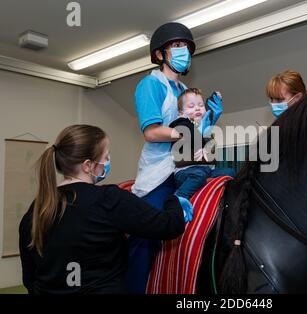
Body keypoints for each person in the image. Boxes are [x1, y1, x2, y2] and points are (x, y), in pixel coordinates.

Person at [18, 125, 190, 294]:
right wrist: (173, 200)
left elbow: (30, 278)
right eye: (106, 157)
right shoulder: (108, 199)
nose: (107, 162)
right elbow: (169, 225)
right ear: (88, 165)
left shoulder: (38, 207)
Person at [129, 22, 223, 293]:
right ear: (160, 55)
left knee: (228, 179)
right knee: (144, 237)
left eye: (187, 48)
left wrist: (209, 119)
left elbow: (197, 129)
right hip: (159, 171)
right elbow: (151, 132)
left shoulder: (184, 92)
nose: (184, 52)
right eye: (177, 46)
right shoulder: (150, 85)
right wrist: (187, 132)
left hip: (186, 164)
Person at [169, 88, 235, 201]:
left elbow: (212, 154)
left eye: (201, 105)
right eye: (191, 106)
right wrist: (202, 131)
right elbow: (192, 135)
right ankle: (179, 197)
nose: (197, 108)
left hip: (206, 170)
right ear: (181, 113)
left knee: (230, 172)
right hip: (186, 172)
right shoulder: (180, 123)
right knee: (199, 175)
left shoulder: (205, 126)